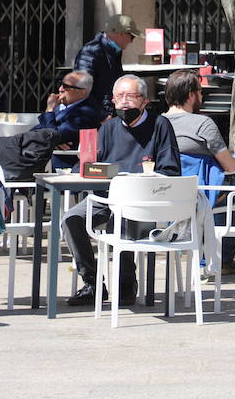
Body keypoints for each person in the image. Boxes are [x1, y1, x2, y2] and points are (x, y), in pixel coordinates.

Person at [63, 74, 182, 306]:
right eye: (120, 97)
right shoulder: (108, 128)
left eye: (131, 96)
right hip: (105, 196)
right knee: (71, 219)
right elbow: (88, 165)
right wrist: (83, 165)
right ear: (113, 101)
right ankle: (92, 283)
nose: (125, 102)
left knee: (118, 221)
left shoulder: (160, 125)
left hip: (141, 200)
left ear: (144, 101)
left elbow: (170, 170)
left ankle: (126, 283)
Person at [163, 69, 235, 273]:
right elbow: (230, 166)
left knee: (219, 182)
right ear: (190, 95)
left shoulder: (157, 124)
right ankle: (223, 259)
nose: (202, 95)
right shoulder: (203, 123)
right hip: (203, 191)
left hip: (169, 195)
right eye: (200, 91)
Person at [73, 12, 142, 117]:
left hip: (109, 113)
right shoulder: (91, 52)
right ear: (121, 34)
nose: (131, 42)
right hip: (96, 117)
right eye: (132, 37)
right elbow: (81, 90)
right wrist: (101, 116)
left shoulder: (113, 51)